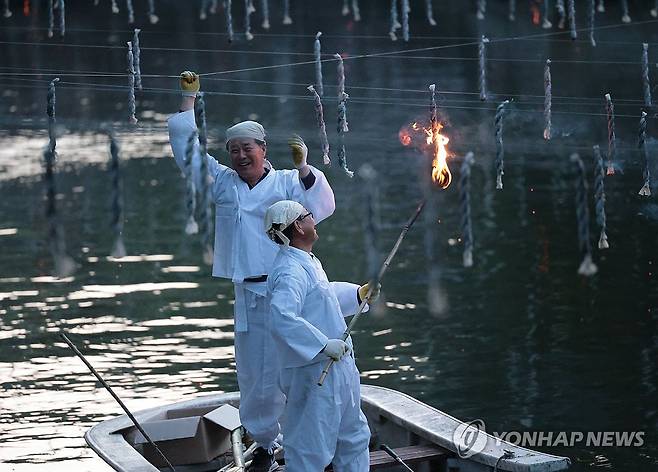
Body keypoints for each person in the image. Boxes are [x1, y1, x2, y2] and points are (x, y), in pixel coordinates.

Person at [168, 72, 336, 471]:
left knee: (297, 366)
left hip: (289, 287)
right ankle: (264, 443)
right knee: (256, 375)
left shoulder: (285, 182)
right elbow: (189, 154)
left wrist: (307, 170)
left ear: (263, 149)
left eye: (248, 148)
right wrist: (188, 102)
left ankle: (310, 443)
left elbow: (323, 207)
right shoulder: (224, 183)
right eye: (234, 150)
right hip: (248, 294)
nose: (241, 156)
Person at [264, 200, 379, 472]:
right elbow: (282, 317)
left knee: (353, 437)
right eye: (308, 216)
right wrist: (322, 344)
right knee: (310, 447)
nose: (314, 220)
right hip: (314, 371)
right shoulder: (289, 271)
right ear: (298, 227)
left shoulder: (307, 261)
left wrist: (357, 295)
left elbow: (321, 297)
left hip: (337, 367)